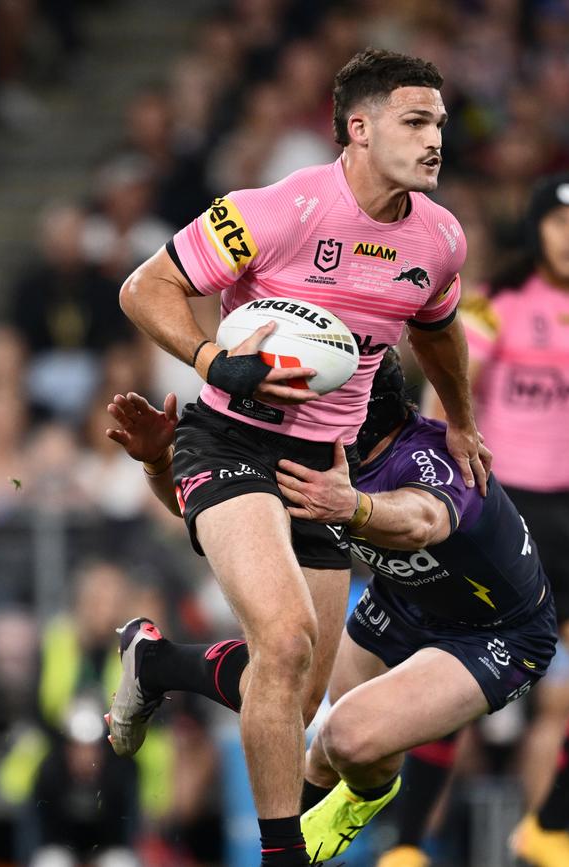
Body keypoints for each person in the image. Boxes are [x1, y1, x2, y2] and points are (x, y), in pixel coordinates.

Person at [113, 47, 491, 867]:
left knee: (295, 685)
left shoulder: (440, 238)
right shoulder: (277, 208)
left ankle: (154, 660)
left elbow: (438, 327)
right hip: (229, 438)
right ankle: (281, 856)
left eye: (440, 124)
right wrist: (214, 358)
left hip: (326, 464)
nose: (435, 140)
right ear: (358, 128)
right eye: (415, 121)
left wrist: (459, 419)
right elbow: (144, 288)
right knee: (283, 643)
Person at [104, 349, 555, 864]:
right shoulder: (318, 454)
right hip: (403, 601)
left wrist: (354, 507)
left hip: (497, 631)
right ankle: (154, 663)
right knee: (295, 703)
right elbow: (221, 518)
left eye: (321, 406)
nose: (302, 418)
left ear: (358, 411)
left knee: (344, 739)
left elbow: (423, 521)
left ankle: (360, 796)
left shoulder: (429, 453)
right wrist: (160, 464)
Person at [402, 173, 569, 867]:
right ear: (538, 231)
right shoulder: (494, 310)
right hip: (496, 507)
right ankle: (406, 845)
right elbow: (444, 401)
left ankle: (548, 826)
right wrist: (438, 498)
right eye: (561, 222)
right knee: (458, 685)